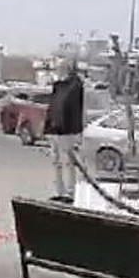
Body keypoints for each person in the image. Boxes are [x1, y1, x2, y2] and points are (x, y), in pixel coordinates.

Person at [45, 60, 85, 203]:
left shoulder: (75, 85)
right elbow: (53, 106)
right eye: (57, 68)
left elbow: (71, 108)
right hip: (53, 130)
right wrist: (48, 125)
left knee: (69, 162)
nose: (58, 70)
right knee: (55, 162)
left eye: (61, 68)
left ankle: (70, 193)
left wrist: (74, 130)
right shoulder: (58, 86)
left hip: (68, 130)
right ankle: (58, 191)